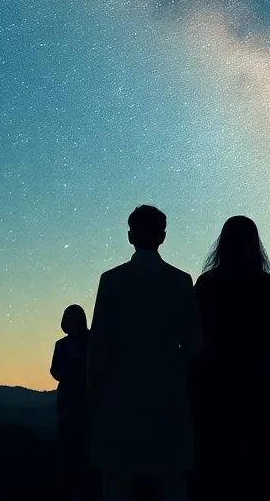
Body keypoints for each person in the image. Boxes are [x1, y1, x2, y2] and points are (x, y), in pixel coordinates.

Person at [88, 205, 201, 501]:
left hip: (120, 392)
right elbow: (193, 344)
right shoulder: (181, 281)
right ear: (163, 236)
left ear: (130, 236)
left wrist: (95, 390)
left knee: (118, 480)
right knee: (171, 480)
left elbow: (99, 343)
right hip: (169, 392)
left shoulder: (111, 280)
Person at [191, 215, 270, 501]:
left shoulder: (207, 284)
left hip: (214, 387)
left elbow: (193, 337)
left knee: (217, 467)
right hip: (261, 389)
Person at [50, 304, 92, 499]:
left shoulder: (92, 340)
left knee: (84, 445)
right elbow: (54, 371)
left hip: (86, 400)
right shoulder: (62, 345)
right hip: (69, 400)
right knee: (69, 445)